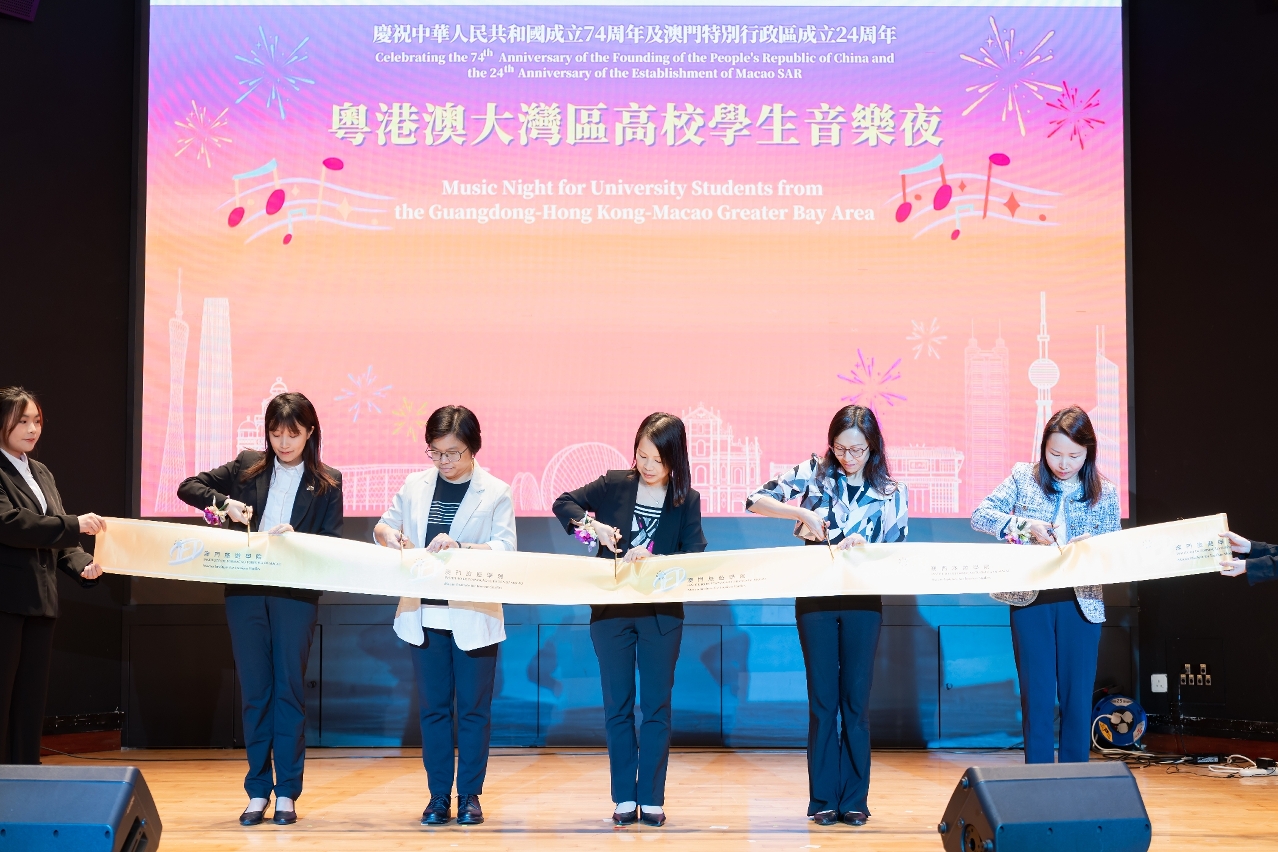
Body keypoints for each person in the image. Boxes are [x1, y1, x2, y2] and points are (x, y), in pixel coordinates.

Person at [176, 392, 342, 826]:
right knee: (255, 692)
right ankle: (257, 790)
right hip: (246, 591)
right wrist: (224, 503)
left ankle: (286, 791)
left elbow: (332, 544)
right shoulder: (247, 465)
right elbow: (188, 486)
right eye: (275, 433)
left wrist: (298, 541)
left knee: (288, 690)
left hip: (294, 596)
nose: (283, 443)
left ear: (310, 432)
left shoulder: (328, 481)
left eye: (293, 434)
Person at [746, 404, 907, 827]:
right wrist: (800, 512)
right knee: (822, 701)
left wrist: (866, 547)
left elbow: (897, 550)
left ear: (873, 447)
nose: (848, 458)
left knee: (855, 702)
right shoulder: (814, 472)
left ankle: (854, 799)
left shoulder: (891, 490)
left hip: (862, 599)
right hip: (816, 595)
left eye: (857, 450)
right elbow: (754, 500)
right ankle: (822, 799)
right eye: (840, 448)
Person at [551, 413, 706, 827]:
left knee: (656, 706)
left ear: (675, 459)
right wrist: (592, 528)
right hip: (612, 611)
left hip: (661, 615)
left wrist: (654, 559)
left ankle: (651, 797)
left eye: (658, 459)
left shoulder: (686, 499)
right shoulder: (615, 483)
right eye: (642, 456)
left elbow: (694, 555)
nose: (648, 466)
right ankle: (623, 795)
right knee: (617, 704)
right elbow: (563, 503)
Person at [373, 405, 514, 827]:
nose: (444, 461)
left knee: (473, 711)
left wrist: (462, 549)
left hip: (473, 615)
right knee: (433, 710)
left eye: (453, 453)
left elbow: (505, 549)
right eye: (435, 452)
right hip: (424, 615)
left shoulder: (496, 491)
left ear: (473, 448)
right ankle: (438, 796)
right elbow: (383, 526)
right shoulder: (415, 485)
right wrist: (390, 535)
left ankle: (469, 795)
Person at [971, 405, 1120, 765]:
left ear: (1088, 453)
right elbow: (981, 515)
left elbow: (1115, 548)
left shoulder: (1105, 492)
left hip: (1081, 601)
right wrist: (1024, 527)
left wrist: (1091, 548)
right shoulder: (1023, 477)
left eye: (1074, 456)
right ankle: (1037, 777)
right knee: (1036, 696)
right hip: (1031, 598)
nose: (1064, 464)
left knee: (1077, 697)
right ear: (1043, 449)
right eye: (1055, 454)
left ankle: (1074, 779)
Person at [0, 386, 107, 765]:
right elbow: (11, 523)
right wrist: (74, 524)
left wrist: (83, 565)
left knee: (30, 700)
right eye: (22, 421)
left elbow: (59, 537)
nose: (32, 429)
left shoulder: (40, 471)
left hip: (40, 602)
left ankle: (26, 775)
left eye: (37, 421)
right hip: (6, 603)